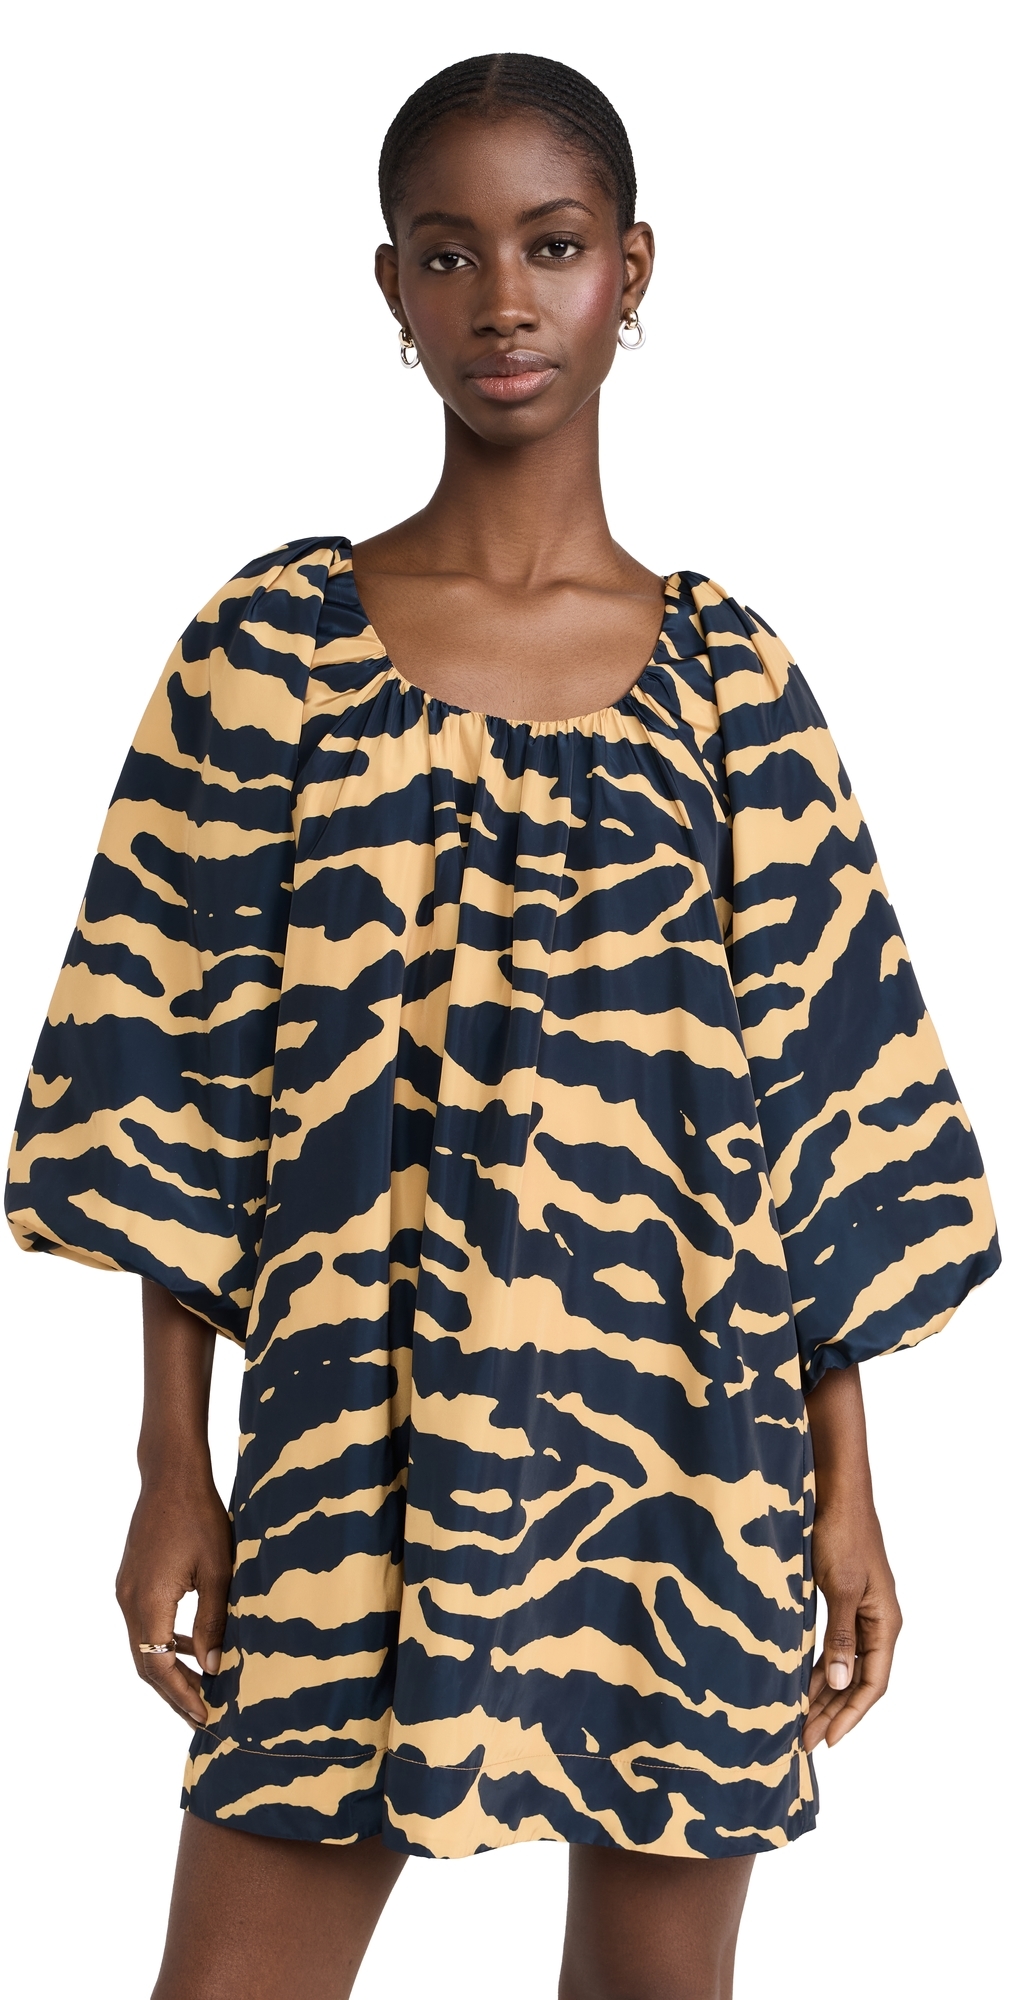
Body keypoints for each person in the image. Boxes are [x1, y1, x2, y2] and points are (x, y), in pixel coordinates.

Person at [5, 50, 999, 2000]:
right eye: (448, 253)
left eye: (550, 246)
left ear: (633, 270)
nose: (504, 300)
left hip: (686, 1466)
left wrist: (851, 1494)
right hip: (350, 1443)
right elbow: (173, 1078)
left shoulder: (733, 684)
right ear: (391, 287)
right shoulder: (269, 650)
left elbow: (818, 1113)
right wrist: (168, 1460)